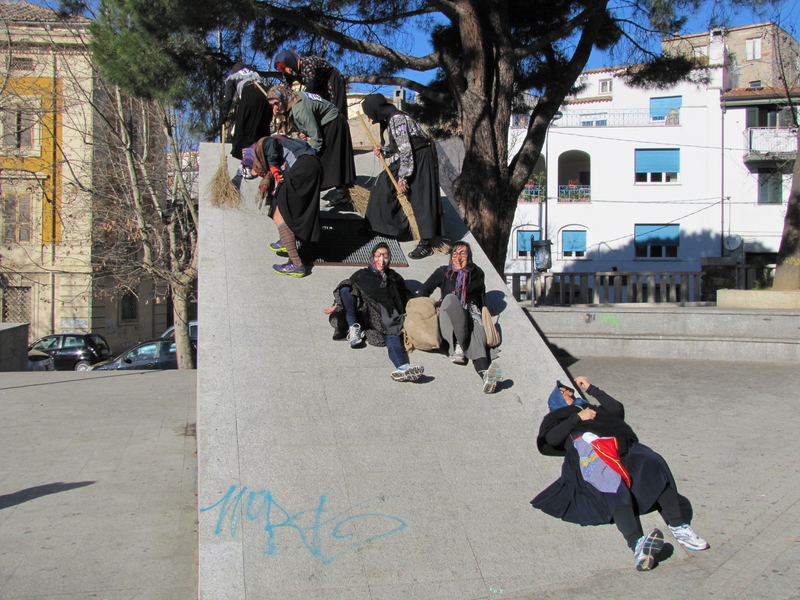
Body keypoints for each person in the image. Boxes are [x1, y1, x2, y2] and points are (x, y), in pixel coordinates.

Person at [531, 377, 709, 571]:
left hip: (620, 442)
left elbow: (616, 409)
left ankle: (679, 526)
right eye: (564, 392)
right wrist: (577, 418)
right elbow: (552, 438)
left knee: (652, 464)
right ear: (556, 399)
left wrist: (591, 388)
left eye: (571, 391)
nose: (570, 394)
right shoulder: (557, 416)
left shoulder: (592, 408)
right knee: (610, 482)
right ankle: (637, 544)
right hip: (589, 448)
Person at [324, 243, 424, 382]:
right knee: (346, 285)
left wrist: (422, 308)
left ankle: (402, 367)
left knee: (392, 335)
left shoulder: (395, 278)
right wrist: (336, 304)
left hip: (382, 315)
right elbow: (348, 292)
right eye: (378, 255)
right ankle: (354, 328)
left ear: (390, 259)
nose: (381, 260)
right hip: (363, 312)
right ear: (372, 257)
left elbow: (406, 297)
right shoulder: (361, 274)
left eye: (385, 256)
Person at [361, 94, 443, 259]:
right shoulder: (391, 119)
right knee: (384, 182)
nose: (369, 119)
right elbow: (396, 147)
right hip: (413, 155)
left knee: (421, 197)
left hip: (421, 157)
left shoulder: (397, 119)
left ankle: (426, 242)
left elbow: (406, 150)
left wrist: (403, 176)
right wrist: (383, 151)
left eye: (369, 114)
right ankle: (380, 226)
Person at [416, 240, 502, 393]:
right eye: (455, 253)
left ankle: (485, 375)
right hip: (448, 316)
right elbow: (423, 292)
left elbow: (480, 299)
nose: (459, 257)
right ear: (451, 257)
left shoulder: (477, 273)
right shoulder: (442, 272)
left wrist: (484, 313)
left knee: (477, 334)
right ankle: (458, 344)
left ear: (469, 256)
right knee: (451, 299)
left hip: (470, 314)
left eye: (463, 253)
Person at [239, 135, 322, 278]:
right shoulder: (286, 141)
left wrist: (272, 166)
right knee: (284, 205)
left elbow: (268, 143)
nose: (259, 173)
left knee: (279, 214)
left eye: (256, 171)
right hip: (314, 167)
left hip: (300, 169)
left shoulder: (263, 144)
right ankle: (285, 239)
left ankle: (296, 265)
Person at [266, 86, 355, 206]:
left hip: (333, 123)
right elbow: (310, 120)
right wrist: (303, 130)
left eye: (277, 104)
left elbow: (315, 137)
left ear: (283, 98)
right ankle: (343, 193)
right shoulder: (292, 98)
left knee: (328, 161)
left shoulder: (299, 110)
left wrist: (311, 157)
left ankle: (342, 194)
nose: (275, 109)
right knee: (328, 161)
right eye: (272, 105)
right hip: (326, 122)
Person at [219, 63, 272, 160]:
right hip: (266, 95)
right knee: (262, 129)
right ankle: (264, 160)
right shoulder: (255, 75)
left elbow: (228, 99)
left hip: (249, 94)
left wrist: (223, 115)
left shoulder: (232, 78)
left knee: (244, 131)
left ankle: (248, 162)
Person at [273, 49, 347, 115]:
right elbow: (286, 90)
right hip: (320, 87)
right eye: (282, 69)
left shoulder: (307, 63)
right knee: (324, 112)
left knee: (336, 110)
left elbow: (310, 88)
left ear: (290, 61)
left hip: (332, 81)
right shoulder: (289, 73)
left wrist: (298, 102)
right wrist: (278, 103)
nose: (287, 71)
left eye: (285, 67)